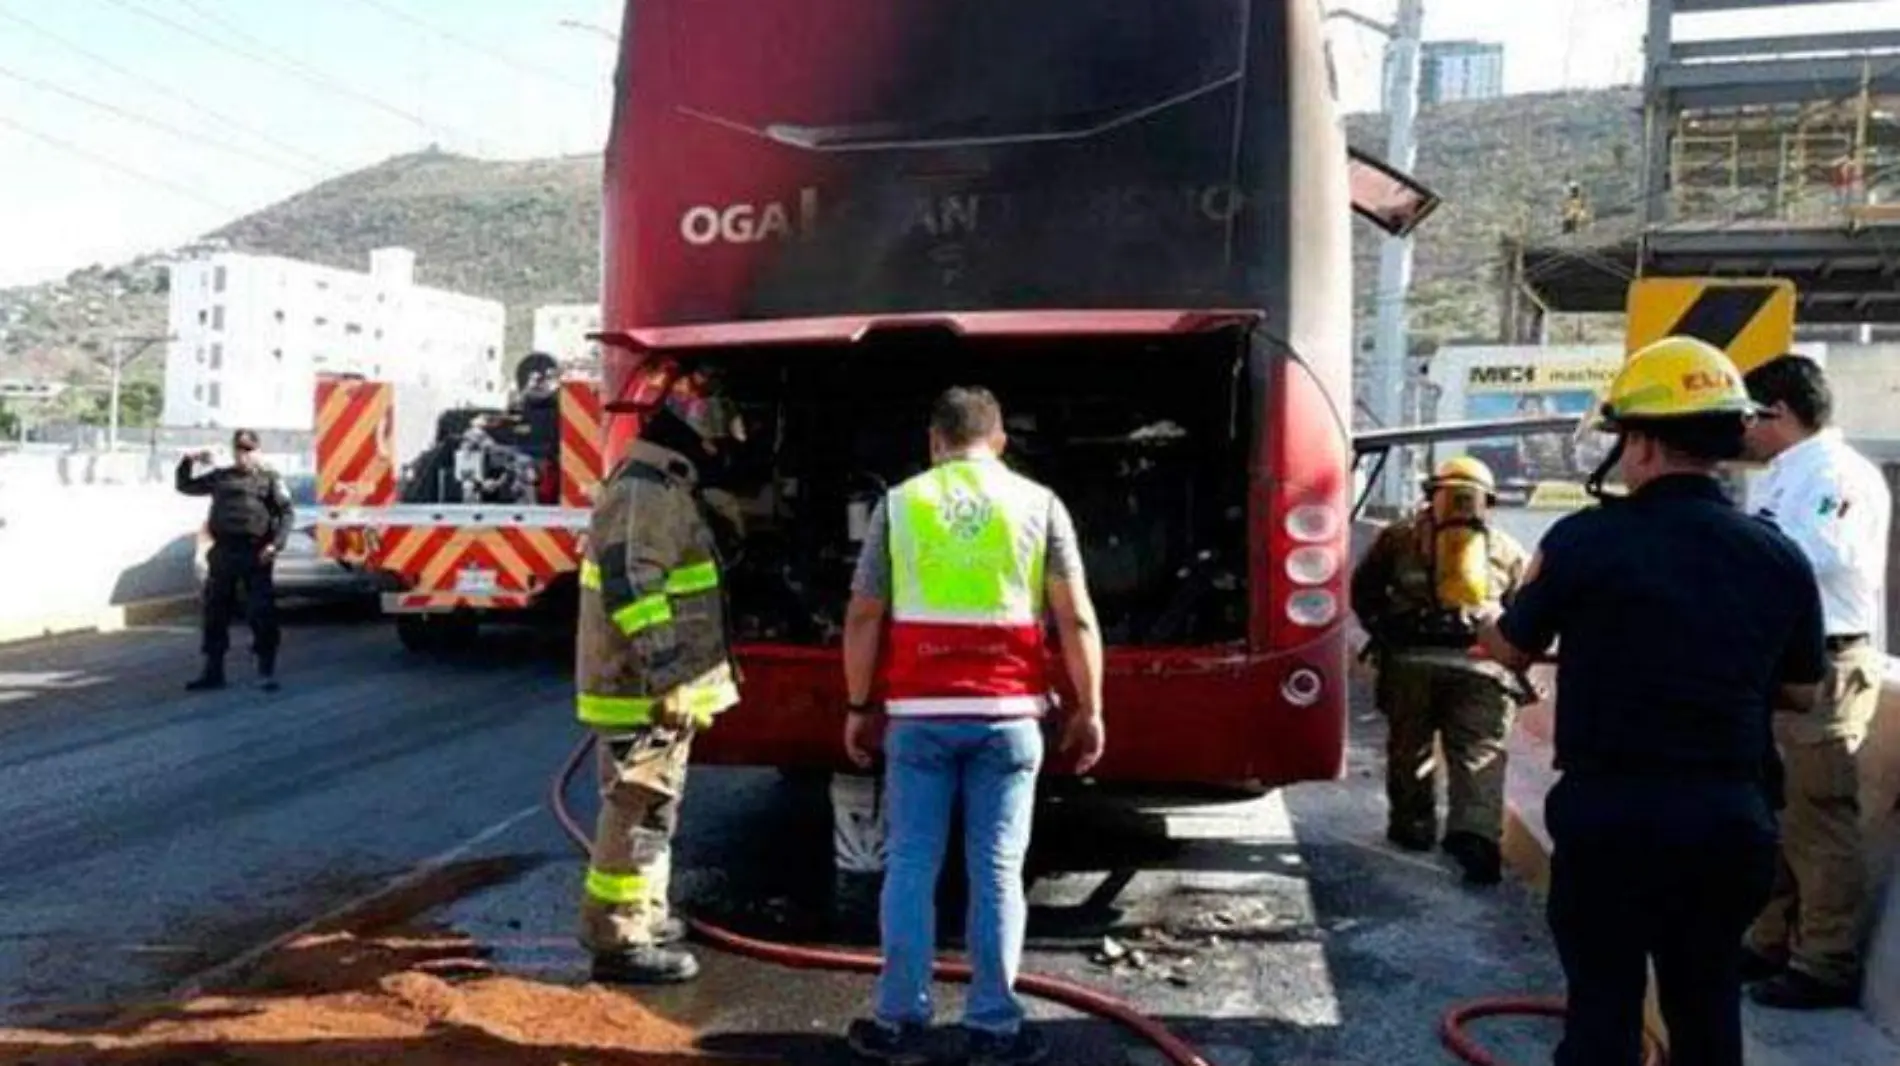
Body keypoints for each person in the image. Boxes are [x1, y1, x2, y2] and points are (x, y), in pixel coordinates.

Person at [1479, 336, 1828, 1066]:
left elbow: (1513, 647)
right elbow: (1802, 688)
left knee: (1603, 1004)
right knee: (1705, 1006)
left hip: (1612, 816)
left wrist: (1485, 620)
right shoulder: (1776, 553)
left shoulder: (1585, 540)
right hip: (1728, 820)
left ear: (1639, 443)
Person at [840, 386, 1105, 1066]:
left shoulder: (899, 505)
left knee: (911, 864)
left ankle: (899, 1019)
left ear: (935, 441)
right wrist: (1089, 707)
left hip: (919, 719)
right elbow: (1075, 618)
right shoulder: (1039, 505)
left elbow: (865, 615)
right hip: (1010, 717)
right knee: (996, 870)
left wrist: (859, 703)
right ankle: (994, 1025)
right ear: (1000, 440)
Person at [574, 360, 744, 986]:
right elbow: (634, 585)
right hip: (642, 693)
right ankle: (619, 937)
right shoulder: (647, 491)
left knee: (656, 808)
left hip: (656, 693)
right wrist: (670, 675)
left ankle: (644, 911)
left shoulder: (664, 486)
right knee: (636, 808)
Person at [1738, 353, 1892, 1010]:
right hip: (1782, 663)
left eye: (1749, 417)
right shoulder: (1788, 474)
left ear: (1778, 414)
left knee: (1817, 815)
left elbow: (1808, 555)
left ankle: (1824, 961)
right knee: (1774, 810)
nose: (1741, 432)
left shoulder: (1837, 475)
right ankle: (1769, 939)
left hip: (1826, 664)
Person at [1350, 455, 1532, 885]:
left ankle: (1413, 828)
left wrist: (1387, 634)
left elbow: (1364, 591)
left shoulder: (1397, 538)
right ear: (1487, 501)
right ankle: (1476, 839)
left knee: (1409, 748)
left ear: (1433, 495)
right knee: (1479, 752)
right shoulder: (1505, 548)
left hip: (1410, 663)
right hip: (1481, 668)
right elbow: (1523, 614)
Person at [175, 429, 293, 693]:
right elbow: (185, 486)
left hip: (256, 553)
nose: (244, 454)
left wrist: (275, 544)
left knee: (261, 612)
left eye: (249, 449)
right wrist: (188, 460)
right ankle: (213, 671)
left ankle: (266, 670)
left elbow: (286, 514)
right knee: (215, 612)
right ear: (234, 451)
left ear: (258, 451)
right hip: (225, 552)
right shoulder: (221, 477)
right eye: (240, 449)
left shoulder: (269, 479)